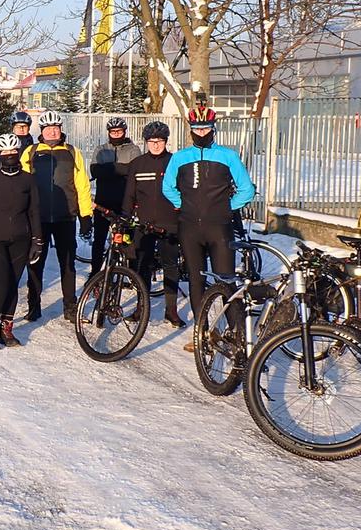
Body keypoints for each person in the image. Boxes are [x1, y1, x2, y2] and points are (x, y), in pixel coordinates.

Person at [163, 105, 256, 350]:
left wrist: (227, 207)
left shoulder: (228, 156)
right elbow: (167, 187)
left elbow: (247, 189)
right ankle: (202, 332)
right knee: (196, 279)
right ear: (191, 130)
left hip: (219, 227)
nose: (201, 133)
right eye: (197, 128)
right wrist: (183, 205)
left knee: (226, 281)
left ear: (214, 129)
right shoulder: (180, 157)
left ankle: (236, 334)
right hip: (190, 227)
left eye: (206, 128)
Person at [20, 110, 92, 323]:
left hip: (65, 217)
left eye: (56, 128)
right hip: (38, 219)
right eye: (48, 128)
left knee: (67, 264)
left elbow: (82, 184)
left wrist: (85, 215)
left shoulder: (71, 151)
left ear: (61, 130)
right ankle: (34, 305)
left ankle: (70, 306)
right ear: (41, 131)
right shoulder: (30, 152)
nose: (53, 131)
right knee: (35, 264)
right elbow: (21, 185)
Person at [0, 133, 42, 349]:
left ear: (19, 153)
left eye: (13, 152)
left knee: (13, 286)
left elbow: (34, 211)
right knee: (1, 286)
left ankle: (7, 329)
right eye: (5, 153)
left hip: (20, 239)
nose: (10, 155)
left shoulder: (28, 179)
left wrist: (37, 241)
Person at [124, 120, 183, 328]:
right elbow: (130, 194)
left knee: (171, 266)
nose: (156, 145)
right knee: (142, 266)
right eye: (151, 141)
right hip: (145, 224)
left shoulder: (175, 162)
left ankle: (171, 309)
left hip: (170, 224)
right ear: (146, 142)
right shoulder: (138, 164)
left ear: (166, 142)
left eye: (159, 141)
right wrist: (125, 218)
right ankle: (141, 307)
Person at [89, 117, 142, 275]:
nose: (116, 134)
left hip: (125, 202)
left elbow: (133, 170)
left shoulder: (133, 150)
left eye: (119, 131)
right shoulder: (101, 149)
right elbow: (94, 171)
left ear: (124, 132)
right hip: (103, 201)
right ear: (109, 133)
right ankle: (95, 273)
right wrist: (119, 169)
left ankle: (131, 274)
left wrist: (108, 169)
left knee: (127, 240)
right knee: (99, 240)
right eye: (113, 132)